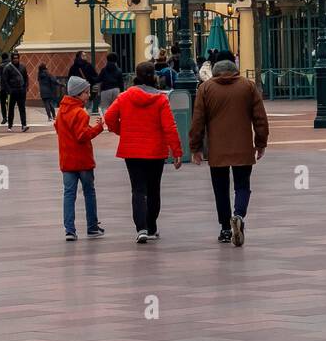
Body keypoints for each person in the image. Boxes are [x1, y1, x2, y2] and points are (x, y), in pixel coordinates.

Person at [190, 53, 269, 247]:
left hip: (217, 149)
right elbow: (260, 118)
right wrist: (260, 143)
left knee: (220, 189)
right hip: (243, 146)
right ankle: (239, 215)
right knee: (242, 185)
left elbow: (198, 121)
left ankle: (225, 228)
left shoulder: (205, 88)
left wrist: (195, 147)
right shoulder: (248, 86)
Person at [103, 62, 183, 243]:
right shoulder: (161, 99)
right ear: (154, 76)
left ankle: (141, 228)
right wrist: (176, 150)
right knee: (154, 189)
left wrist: (121, 131)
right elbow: (169, 127)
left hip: (132, 150)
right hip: (155, 151)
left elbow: (109, 117)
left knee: (138, 189)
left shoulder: (124, 97)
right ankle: (152, 226)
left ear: (136, 76)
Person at [54, 76, 105, 241]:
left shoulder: (61, 112)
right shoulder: (81, 113)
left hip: (66, 159)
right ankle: (92, 227)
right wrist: (98, 128)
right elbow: (82, 135)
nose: (88, 95)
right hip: (83, 160)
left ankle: (70, 230)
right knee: (89, 192)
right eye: (86, 92)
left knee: (69, 194)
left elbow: (59, 129)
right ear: (78, 94)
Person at [3, 52, 29, 132]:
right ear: (11, 59)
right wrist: (9, 90)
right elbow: (5, 80)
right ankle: (10, 125)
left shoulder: (22, 67)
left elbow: (26, 78)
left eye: (17, 58)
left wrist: (25, 88)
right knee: (11, 109)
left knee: (22, 108)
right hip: (12, 91)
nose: (16, 60)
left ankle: (24, 125)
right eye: (14, 58)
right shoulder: (8, 68)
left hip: (21, 90)